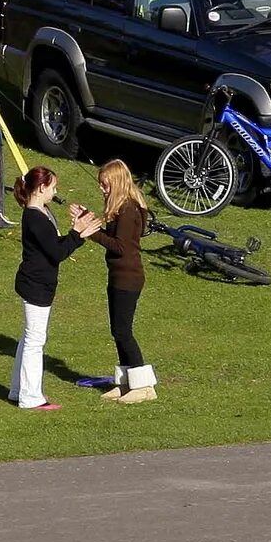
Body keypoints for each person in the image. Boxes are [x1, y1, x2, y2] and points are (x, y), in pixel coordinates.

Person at [8, 167, 98, 412]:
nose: (56, 192)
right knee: (35, 340)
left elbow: (54, 244)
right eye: (53, 187)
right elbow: (57, 253)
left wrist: (78, 232)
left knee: (29, 338)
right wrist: (78, 234)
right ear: (41, 188)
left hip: (37, 282)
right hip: (36, 285)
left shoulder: (42, 212)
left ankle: (18, 390)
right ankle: (30, 397)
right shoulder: (35, 217)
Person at [90, 158, 157, 403]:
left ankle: (144, 386)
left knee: (123, 331)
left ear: (117, 183)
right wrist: (90, 220)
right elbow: (114, 238)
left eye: (105, 185)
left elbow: (119, 246)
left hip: (128, 278)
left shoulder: (129, 210)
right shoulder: (122, 210)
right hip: (118, 276)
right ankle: (127, 383)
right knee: (117, 331)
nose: (102, 189)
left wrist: (91, 233)